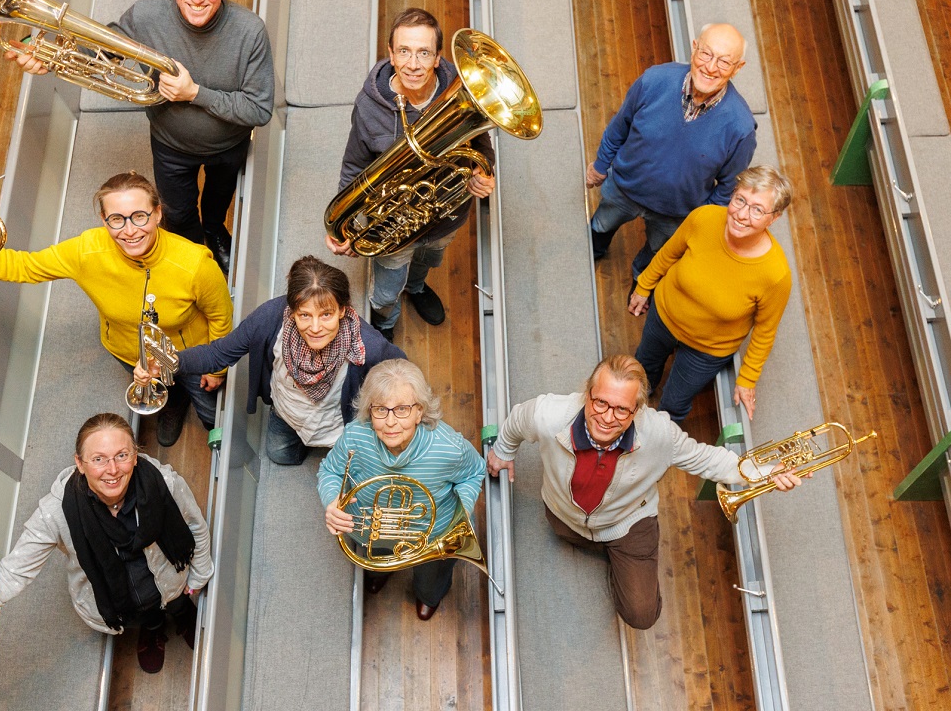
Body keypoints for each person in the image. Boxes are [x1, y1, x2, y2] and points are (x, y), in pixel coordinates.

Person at [8, 0, 275, 274]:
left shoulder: (250, 32)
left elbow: (260, 110)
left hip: (228, 146)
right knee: (177, 213)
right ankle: (197, 257)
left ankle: (214, 230)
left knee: (217, 201)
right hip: (170, 145)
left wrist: (194, 92)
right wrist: (45, 55)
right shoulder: (147, 14)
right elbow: (102, 47)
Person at [0, 171, 232, 447]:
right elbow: (25, 265)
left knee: (210, 408)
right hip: (128, 352)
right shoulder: (87, 250)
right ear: (104, 221)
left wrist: (215, 369)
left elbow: (221, 317)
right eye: (116, 220)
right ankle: (173, 404)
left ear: (158, 214)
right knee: (164, 394)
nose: (130, 230)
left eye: (139, 216)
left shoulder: (195, 264)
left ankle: (211, 422)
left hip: (192, 354)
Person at [486, 355, 801, 630]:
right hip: (563, 516)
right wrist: (503, 450)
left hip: (628, 525)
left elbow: (707, 459)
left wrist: (764, 471)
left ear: (637, 410)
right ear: (587, 393)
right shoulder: (548, 413)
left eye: (622, 410)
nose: (608, 418)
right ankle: (609, 555)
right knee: (565, 534)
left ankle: (624, 559)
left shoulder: (660, 433)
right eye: (601, 403)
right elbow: (517, 421)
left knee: (641, 614)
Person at [0, 413, 213, 674]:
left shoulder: (164, 483)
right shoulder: (56, 512)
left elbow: (195, 524)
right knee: (146, 617)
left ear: (135, 455)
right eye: (98, 459)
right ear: (80, 464)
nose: (113, 470)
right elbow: (10, 573)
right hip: (120, 599)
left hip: (171, 581)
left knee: (177, 603)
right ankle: (153, 629)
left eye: (122, 455)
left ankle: (183, 616)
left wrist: (200, 573)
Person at [325, 7, 496, 342]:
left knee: (428, 261)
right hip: (395, 228)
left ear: (438, 58)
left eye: (423, 53)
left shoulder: (464, 91)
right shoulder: (369, 107)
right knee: (385, 292)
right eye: (403, 51)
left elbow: (482, 144)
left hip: (446, 217)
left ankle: (417, 287)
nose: (413, 64)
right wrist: (343, 223)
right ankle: (386, 323)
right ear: (391, 55)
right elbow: (353, 166)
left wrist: (483, 171)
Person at [169, 255, 405, 465]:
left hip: (338, 424)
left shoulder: (368, 345)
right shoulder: (270, 318)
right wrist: (169, 361)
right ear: (292, 310)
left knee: (348, 464)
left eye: (326, 315)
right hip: (286, 413)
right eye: (304, 315)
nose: (315, 328)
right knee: (280, 455)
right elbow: (217, 353)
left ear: (342, 310)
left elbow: (403, 372)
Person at [318, 359, 486, 620]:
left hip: (432, 534)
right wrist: (331, 500)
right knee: (376, 561)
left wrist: (459, 514)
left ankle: (428, 596)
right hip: (373, 527)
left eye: (402, 410)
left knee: (432, 579)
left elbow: (474, 472)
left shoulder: (448, 448)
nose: (390, 422)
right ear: (369, 411)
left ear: (420, 411)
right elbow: (331, 470)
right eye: (380, 410)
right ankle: (379, 573)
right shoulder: (354, 437)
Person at [588, 22, 756, 280]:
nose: (711, 68)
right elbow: (620, 125)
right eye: (706, 54)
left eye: (724, 62)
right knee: (600, 226)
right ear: (694, 48)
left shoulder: (741, 127)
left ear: (737, 68)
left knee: (656, 254)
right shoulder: (654, 80)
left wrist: (697, 221)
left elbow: (727, 188)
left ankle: (640, 283)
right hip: (623, 188)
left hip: (675, 213)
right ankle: (593, 252)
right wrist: (600, 165)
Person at [628, 165, 792, 422]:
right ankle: (630, 407)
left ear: (774, 217)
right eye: (740, 200)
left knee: (673, 406)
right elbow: (669, 253)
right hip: (664, 315)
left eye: (757, 209)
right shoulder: (703, 217)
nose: (742, 214)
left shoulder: (775, 274)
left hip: (706, 349)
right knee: (641, 372)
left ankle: (656, 443)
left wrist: (748, 378)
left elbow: (764, 331)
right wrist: (643, 286)